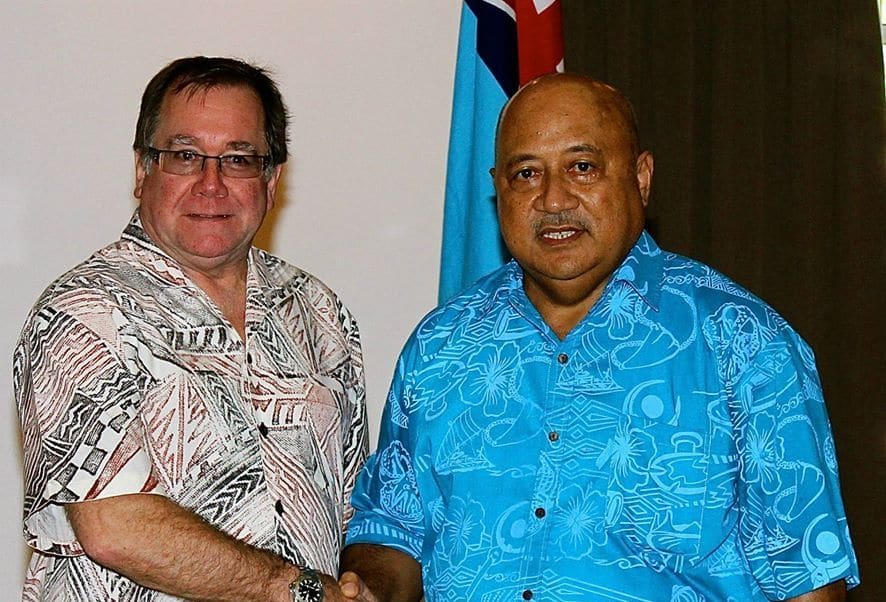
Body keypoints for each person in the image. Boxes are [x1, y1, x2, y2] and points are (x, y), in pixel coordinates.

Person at [337, 74, 860, 601]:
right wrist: (372, 590)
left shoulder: (743, 345)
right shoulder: (439, 346)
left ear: (641, 177)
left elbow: (807, 579)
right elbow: (391, 529)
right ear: (498, 189)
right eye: (525, 174)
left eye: (582, 168)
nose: (553, 199)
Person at [13, 56, 368, 601]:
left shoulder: (318, 310)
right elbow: (114, 526)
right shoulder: (84, 312)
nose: (211, 183)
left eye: (239, 158)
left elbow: (352, 505)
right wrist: (296, 591)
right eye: (184, 156)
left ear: (272, 179)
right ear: (141, 170)